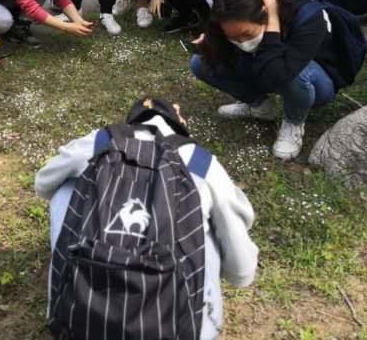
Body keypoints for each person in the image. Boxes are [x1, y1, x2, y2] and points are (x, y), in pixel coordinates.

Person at [35, 97, 258, 340]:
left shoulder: (100, 141)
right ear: (179, 124)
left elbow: (44, 183)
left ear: (131, 121)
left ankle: (65, 293)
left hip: (80, 324)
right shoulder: (200, 161)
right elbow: (242, 269)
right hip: (178, 328)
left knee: (66, 188)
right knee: (214, 221)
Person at [190, 0, 351, 160]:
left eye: (246, 34)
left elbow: (278, 74)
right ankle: (261, 106)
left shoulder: (309, 18)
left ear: (264, 14)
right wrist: (212, 43)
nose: (242, 42)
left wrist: (272, 24)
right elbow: (224, 49)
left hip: (317, 83)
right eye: (234, 38)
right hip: (270, 67)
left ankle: (293, 121)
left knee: (289, 72)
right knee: (200, 63)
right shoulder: (238, 15)